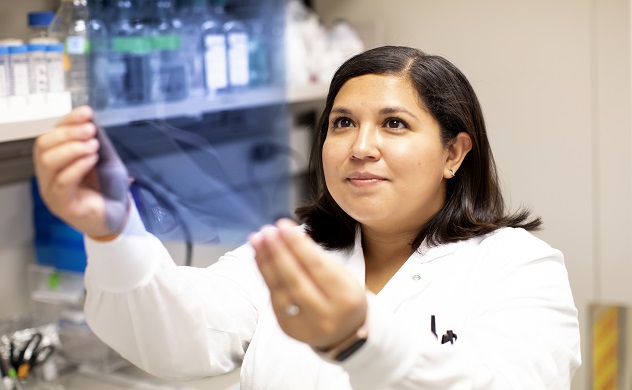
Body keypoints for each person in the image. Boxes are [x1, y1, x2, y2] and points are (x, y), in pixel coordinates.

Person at [32, 46, 581, 389]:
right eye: (343, 123)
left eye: (393, 124)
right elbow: (174, 336)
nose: (360, 147)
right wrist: (111, 231)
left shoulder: (517, 266)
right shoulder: (293, 250)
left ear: (454, 154)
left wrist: (359, 340)